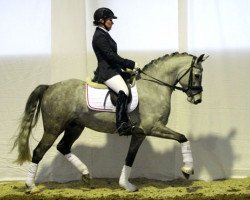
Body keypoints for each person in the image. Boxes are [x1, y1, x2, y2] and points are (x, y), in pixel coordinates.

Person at [92, 7, 135, 136]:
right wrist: (129, 63)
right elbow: (110, 56)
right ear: (102, 20)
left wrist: (124, 69)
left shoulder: (104, 33)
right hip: (107, 71)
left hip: (113, 69)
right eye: (110, 19)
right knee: (124, 91)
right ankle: (121, 123)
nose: (112, 22)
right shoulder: (99, 36)